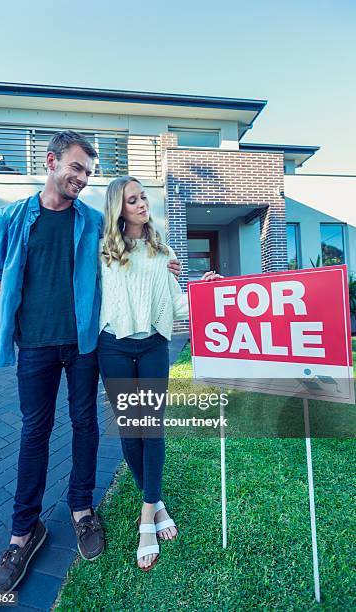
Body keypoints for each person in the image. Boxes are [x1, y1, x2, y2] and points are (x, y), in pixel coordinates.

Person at [0, 131, 182, 593]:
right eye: (75, 168)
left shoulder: (92, 221)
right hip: (34, 345)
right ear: (51, 162)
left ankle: (81, 510)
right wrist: (17, 299)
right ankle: (23, 531)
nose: (81, 178)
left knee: (84, 424)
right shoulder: (12, 217)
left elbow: (129, 248)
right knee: (34, 431)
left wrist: (166, 265)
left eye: (88, 173)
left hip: (82, 345)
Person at [98, 176, 220, 571]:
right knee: (129, 431)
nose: (141, 204)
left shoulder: (160, 250)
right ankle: (157, 500)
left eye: (143, 198)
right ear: (119, 207)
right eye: (132, 200)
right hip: (113, 346)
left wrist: (201, 289)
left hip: (152, 346)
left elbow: (174, 304)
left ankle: (147, 514)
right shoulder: (102, 251)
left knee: (152, 428)